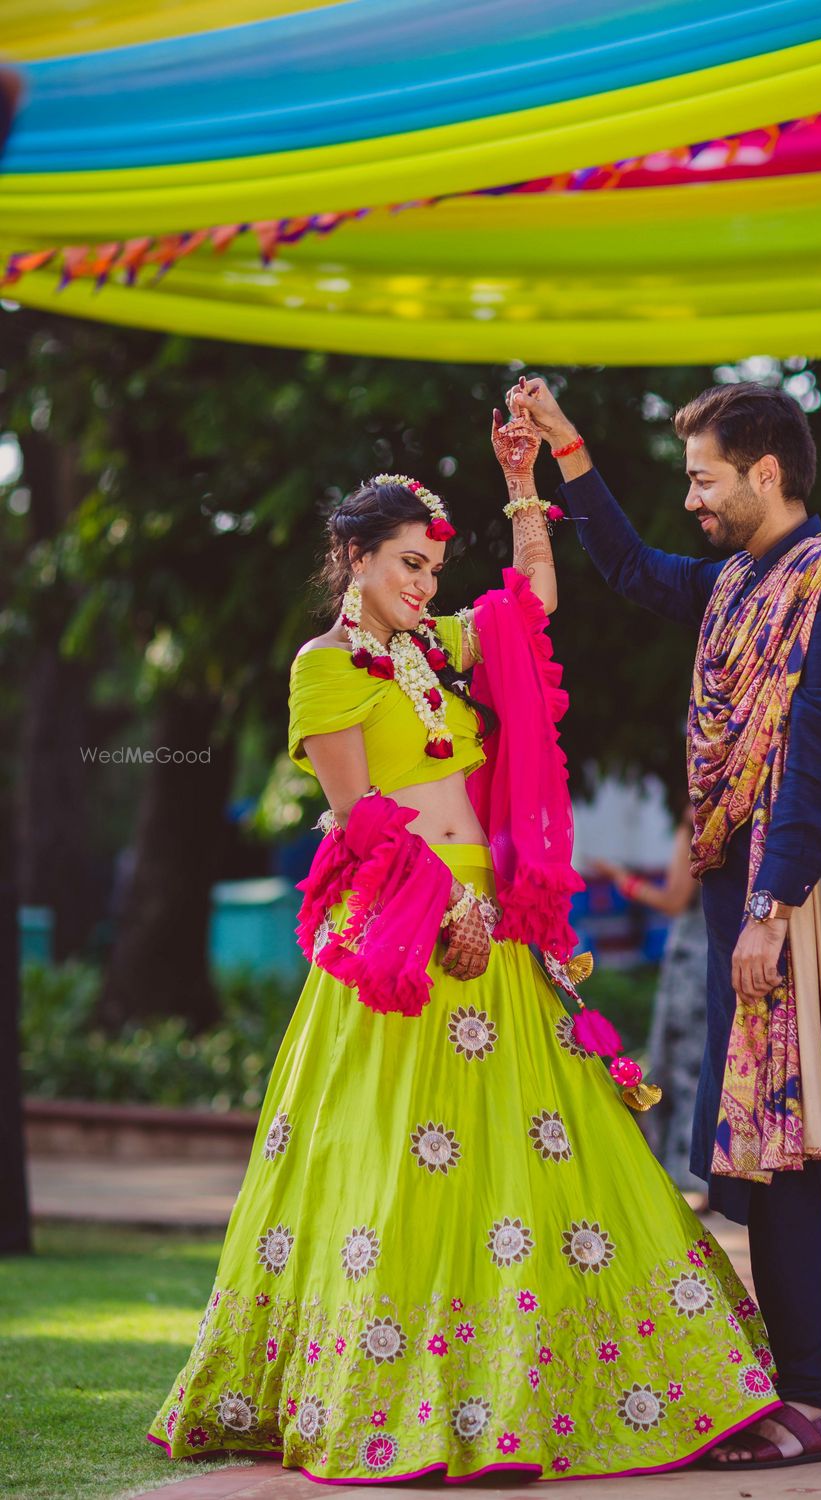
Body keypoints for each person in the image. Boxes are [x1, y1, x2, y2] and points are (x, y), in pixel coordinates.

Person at [146, 404, 783, 1484]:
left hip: (496, 927)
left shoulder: (431, 655)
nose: (424, 586)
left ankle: (547, 1394)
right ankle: (405, 1399)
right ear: (353, 558)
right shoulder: (326, 667)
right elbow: (359, 820)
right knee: (402, 1163)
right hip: (402, 932)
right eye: (406, 565)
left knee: (545, 1150)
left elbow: (527, 610)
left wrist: (522, 484)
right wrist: (448, 909)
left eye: (432, 570)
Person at [505, 375, 821, 1471]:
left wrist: (772, 911)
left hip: (796, 902)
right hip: (749, 896)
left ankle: (815, 1401)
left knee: (783, 1159)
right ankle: (805, 1391)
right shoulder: (742, 579)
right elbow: (635, 571)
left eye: (703, 478)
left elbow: (819, 753)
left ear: (765, 474)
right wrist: (563, 452)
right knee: (756, 1158)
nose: (691, 497)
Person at [590, 805, 709, 1201]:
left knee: (681, 1066)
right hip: (725, 953)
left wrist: (621, 880)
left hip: (693, 958)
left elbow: (674, 901)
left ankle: (685, 1176)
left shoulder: (694, 819)